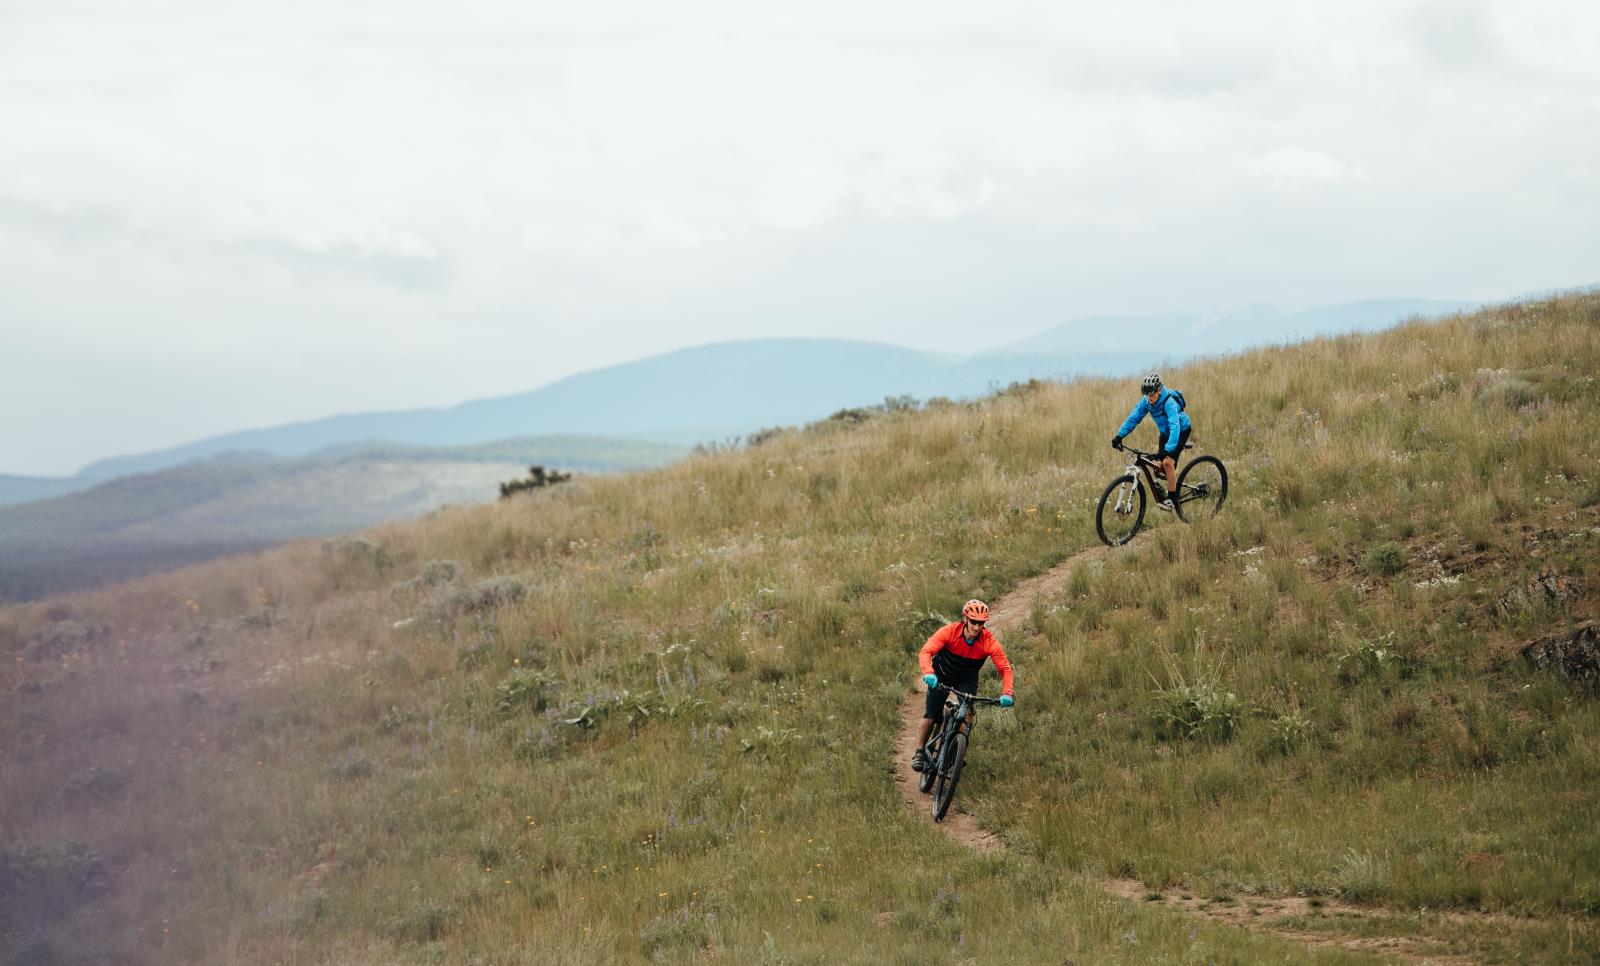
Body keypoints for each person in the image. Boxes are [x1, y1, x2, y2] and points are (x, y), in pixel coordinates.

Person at [911, 599, 1014, 772]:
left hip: (966, 678)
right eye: (973, 621)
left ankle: (958, 751)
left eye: (981, 623)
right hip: (941, 674)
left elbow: (1005, 668)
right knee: (932, 714)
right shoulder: (949, 631)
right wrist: (929, 673)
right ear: (965, 619)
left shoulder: (988, 641)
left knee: (967, 714)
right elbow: (926, 651)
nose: (976, 627)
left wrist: (1007, 693)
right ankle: (920, 751)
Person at [1111, 372, 1190, 512]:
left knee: (1167, 462)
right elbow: (1133, 418)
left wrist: (1168, 450)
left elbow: (1175, 426)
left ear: (1159, 390)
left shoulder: (1169, 402)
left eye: (1152, 394)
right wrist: (1119, 435)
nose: (1149, 397)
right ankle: (1169, 483)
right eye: (1146, 394)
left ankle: (1172, 500)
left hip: (1181, 431)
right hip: (1165, 433)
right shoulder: (1146, 401)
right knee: (1158, 467)